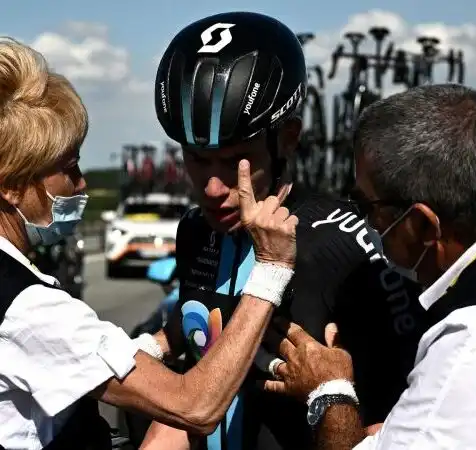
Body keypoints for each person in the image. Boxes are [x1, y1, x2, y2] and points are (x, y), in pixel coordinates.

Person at [0, 37, 300, 450]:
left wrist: (161, 342)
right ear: (13, 187)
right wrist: (270, 268)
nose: (82, 183)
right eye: (69, 168)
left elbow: (71, 361)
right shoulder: (27, 307)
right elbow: (195, 406)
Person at [144, 11, 425, 450]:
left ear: (288, 138)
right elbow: (199, 362)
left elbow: (416, 397)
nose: (214, 187)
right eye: (197, 159)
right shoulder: (195, 232)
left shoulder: (343, 240)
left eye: (237, 160)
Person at [265, 83, 476, 449]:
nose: (366, 225)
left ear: (423, 225)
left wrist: (330, 390)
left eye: (367, 207)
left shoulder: (470, 348)